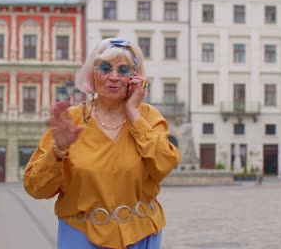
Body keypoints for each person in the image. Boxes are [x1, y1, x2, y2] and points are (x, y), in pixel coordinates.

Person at [24, 38, 181, 249]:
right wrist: (57, 151)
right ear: (93, 74)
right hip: (81, 236)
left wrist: (134, 112)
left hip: (140, 234)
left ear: (135, 78)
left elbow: (165, 163)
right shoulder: (71, 120)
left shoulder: (148, 116)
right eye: (106, 68)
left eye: (124, 70)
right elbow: (36, 187)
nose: (114, 77)